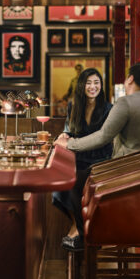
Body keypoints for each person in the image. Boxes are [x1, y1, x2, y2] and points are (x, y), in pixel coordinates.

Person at [55, 62, 140, 159]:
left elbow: (103, 136)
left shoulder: (125, 102)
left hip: (128, 170)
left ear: (130, 79)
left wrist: (69, 144)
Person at [52, 68, 113, 251]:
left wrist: (71, 142)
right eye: (88, 83)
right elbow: (69, 129)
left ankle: (80, 231)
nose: (93, 87)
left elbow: (104, 139)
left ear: (101, 86)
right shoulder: (73, 106)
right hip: (78, 159)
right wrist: (63, 135)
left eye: (97, 83)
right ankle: (77, 225)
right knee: (59, 185)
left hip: (100, 160)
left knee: (73, 183)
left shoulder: (108, 109)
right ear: (81, 85)